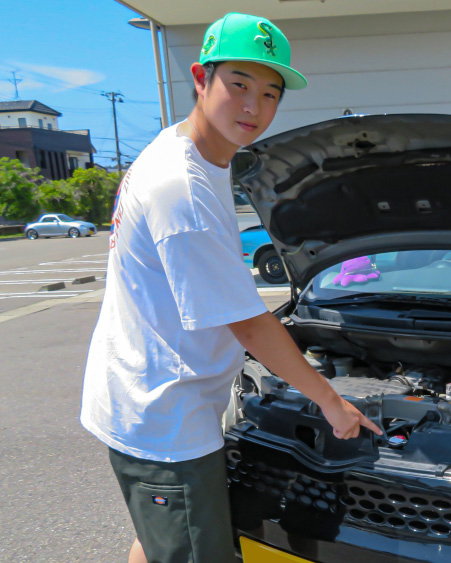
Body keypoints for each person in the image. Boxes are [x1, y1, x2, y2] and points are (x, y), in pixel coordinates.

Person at [79, 13, 381, 563]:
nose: (254, 107)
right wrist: (332, 402)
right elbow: (243, 319)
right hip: (166, 421)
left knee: (159, 543)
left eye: (270, 93)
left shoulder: (188, 150)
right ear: (202, 77)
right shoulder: (183, 188)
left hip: (150, 393)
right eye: (238, 84)